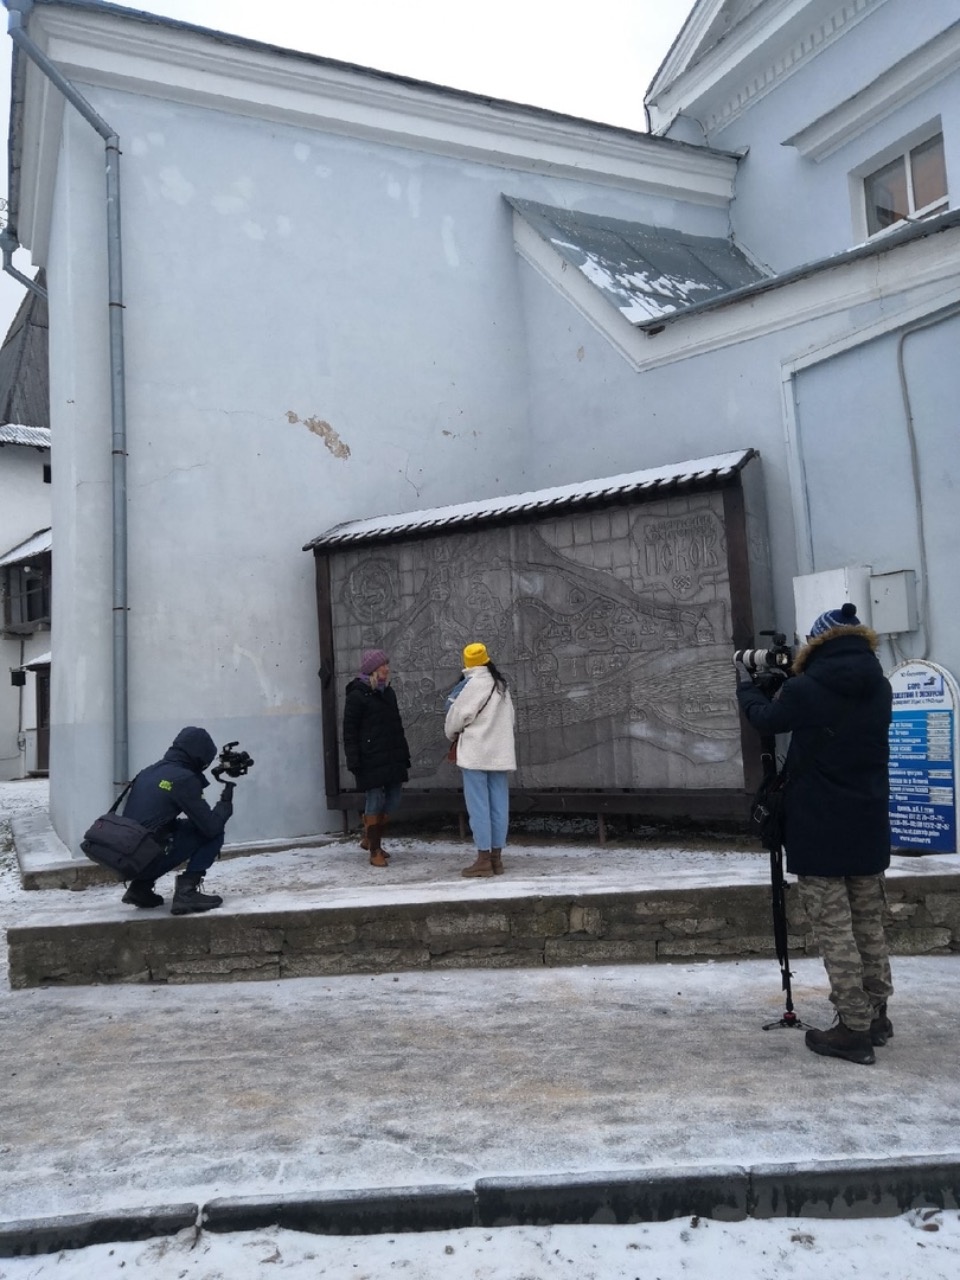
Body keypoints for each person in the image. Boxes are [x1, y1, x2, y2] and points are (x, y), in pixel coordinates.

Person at [735, 602, 894, 1066]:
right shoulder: (879, 687)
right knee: (868, 923)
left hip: (819, 826)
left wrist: (746, 687)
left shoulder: (807, 688)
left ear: (817, 643)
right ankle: (878, 1015)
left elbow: (767, 719)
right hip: (868, 824)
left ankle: (853, 1029)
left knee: (835, 929)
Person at [119, 726, 237, 915]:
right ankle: (186, 892)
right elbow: (211, 826)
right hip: (145, 857)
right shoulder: (183, 778)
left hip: (127, 856)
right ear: (200, 755)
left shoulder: (150, 771)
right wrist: (225, 804)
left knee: (174, 829)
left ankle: (140, 888)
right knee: (214, 831)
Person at [445, 642, 517, 878]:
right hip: (499, 753)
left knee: (479, 807)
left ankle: (483, 859)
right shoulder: (501, 685)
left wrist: (452, 734)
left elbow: (455, 718)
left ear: (467, 662)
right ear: (486, 658)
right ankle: (497, 859)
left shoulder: (471, 685)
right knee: (499, 806)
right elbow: (511, 720)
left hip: (476, 754)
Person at [342, 648, 411, 868]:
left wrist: (403, 754)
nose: (387, 669)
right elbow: (349, 732)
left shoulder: (388, 693)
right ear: (373, 669)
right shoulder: (357, 696)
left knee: (393, 799)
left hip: (392, 756)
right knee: (375, 800)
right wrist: (354, 761)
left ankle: (369, 837)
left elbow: (396, 727)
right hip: (369, 759)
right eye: (383, 665)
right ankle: (375, 850)